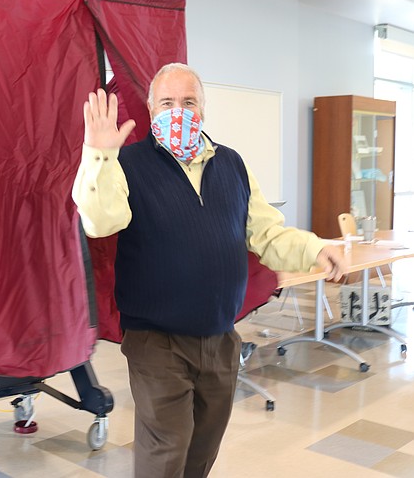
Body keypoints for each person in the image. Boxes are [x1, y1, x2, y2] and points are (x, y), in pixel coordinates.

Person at [71, 62, 346, 478]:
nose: (178, 110)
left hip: (220, 338)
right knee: (167, 448)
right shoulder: (126, 163)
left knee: (202, 449)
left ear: (203, 110)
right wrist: (100, 153)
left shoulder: (232, 165)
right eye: (167, 102)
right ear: (150, 108)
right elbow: (101, 221)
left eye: (188, 102)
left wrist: (315, 249)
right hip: (156, 341)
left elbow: (266, 234)